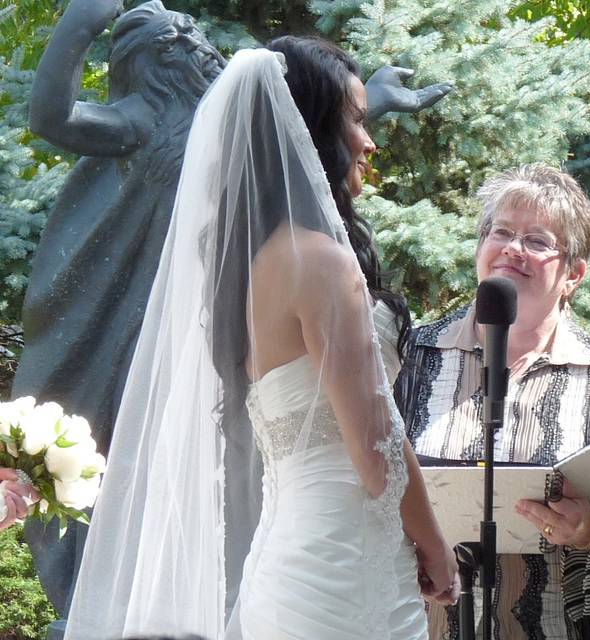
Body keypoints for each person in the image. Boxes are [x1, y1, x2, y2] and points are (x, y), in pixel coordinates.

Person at [17, 0, 450, 625]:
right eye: (355, 120)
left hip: (290, 558)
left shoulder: (252, 264)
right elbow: (374, 438)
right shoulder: (319, 263)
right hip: (345, 567)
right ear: (313, 131)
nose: (370, 138)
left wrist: (365, 96)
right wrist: (433, 543)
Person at [395, 164, 590, 640]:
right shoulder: (409, 361)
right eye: (500, 231)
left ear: (574, 274)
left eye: (538, 241)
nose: (512, 249)